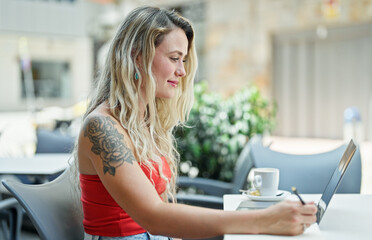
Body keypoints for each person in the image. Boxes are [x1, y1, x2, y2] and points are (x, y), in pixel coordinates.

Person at [75, 6, 317, 240]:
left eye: (184, 60)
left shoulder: (145, 122)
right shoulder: (102, 128)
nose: (182, 71)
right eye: (174, 58)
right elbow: (154, 216)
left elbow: (163, 216)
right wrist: (264, 220)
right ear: (137, 57)